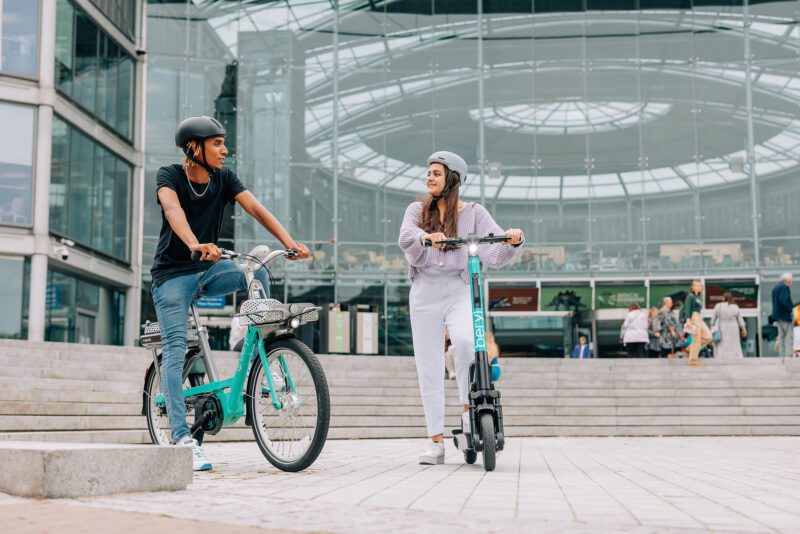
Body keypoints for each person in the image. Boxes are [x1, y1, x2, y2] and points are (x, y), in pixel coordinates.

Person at [151, 116, 309, 471]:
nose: (225, 150)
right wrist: (194, 243)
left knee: (256, 271)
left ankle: (262, 359)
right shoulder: (169, 176)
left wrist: (290, 244)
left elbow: (256, 208)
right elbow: (173, 210)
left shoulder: (225, 179)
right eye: (217, 143)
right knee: (175, 350)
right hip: (172, 276)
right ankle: (181, 439)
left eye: (224, 143)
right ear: (194, 147)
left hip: (209, 269)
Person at [398, 150, 523, 465]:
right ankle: (435, 442)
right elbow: (405, 237)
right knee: (428, 365)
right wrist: (427, 237)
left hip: (460, 289)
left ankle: (469, 415)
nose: (429, 177)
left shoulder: (474, 213)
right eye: (428, 172)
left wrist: (512, 240)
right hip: (424, 291)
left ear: (452, 178)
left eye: (436, 173)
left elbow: (493, 248)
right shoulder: (417, 210)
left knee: (467, 343)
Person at [680, 279, 711, 367]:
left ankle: (691, 347)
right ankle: (693, 361)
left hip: (699, 317)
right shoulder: (691, 296)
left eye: (700, 285)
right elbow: (688, 308)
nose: (698, 287)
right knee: (696, 339)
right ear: (692, 287)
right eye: (696, 285)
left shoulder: (698, 297)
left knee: (708, 337)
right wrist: (688, 320)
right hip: (693, 317)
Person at [711, 292, 746, 360]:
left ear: (723, 298)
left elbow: (713, 320)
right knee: (734, 344)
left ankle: (721, 358)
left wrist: (713, 326)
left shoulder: (718, 306)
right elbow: (740, 320)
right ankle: (735, 358)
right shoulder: (735, 307)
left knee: (722, 344)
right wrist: (744, 329)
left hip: (722, 328)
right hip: (733, 328)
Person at [771, 273, 796, 358]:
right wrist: (791, 310)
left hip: (778, 317)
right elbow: (784, 301)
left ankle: (782, 356)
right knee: (789, 336)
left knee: (781, 336)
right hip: (785, 316)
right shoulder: (784, 287)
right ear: (787, 280)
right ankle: (788, 356)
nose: (792, 282)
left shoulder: (775, 287)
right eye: (791, 280)